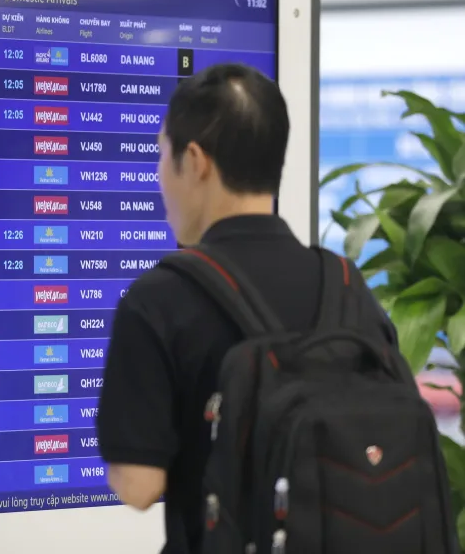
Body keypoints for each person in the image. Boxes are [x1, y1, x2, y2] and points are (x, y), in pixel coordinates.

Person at [95, 63, 400, 552]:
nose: (158, 178)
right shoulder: (347, 285)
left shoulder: (159, 298)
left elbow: (138, 485)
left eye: (160, 155)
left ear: (195, 161)